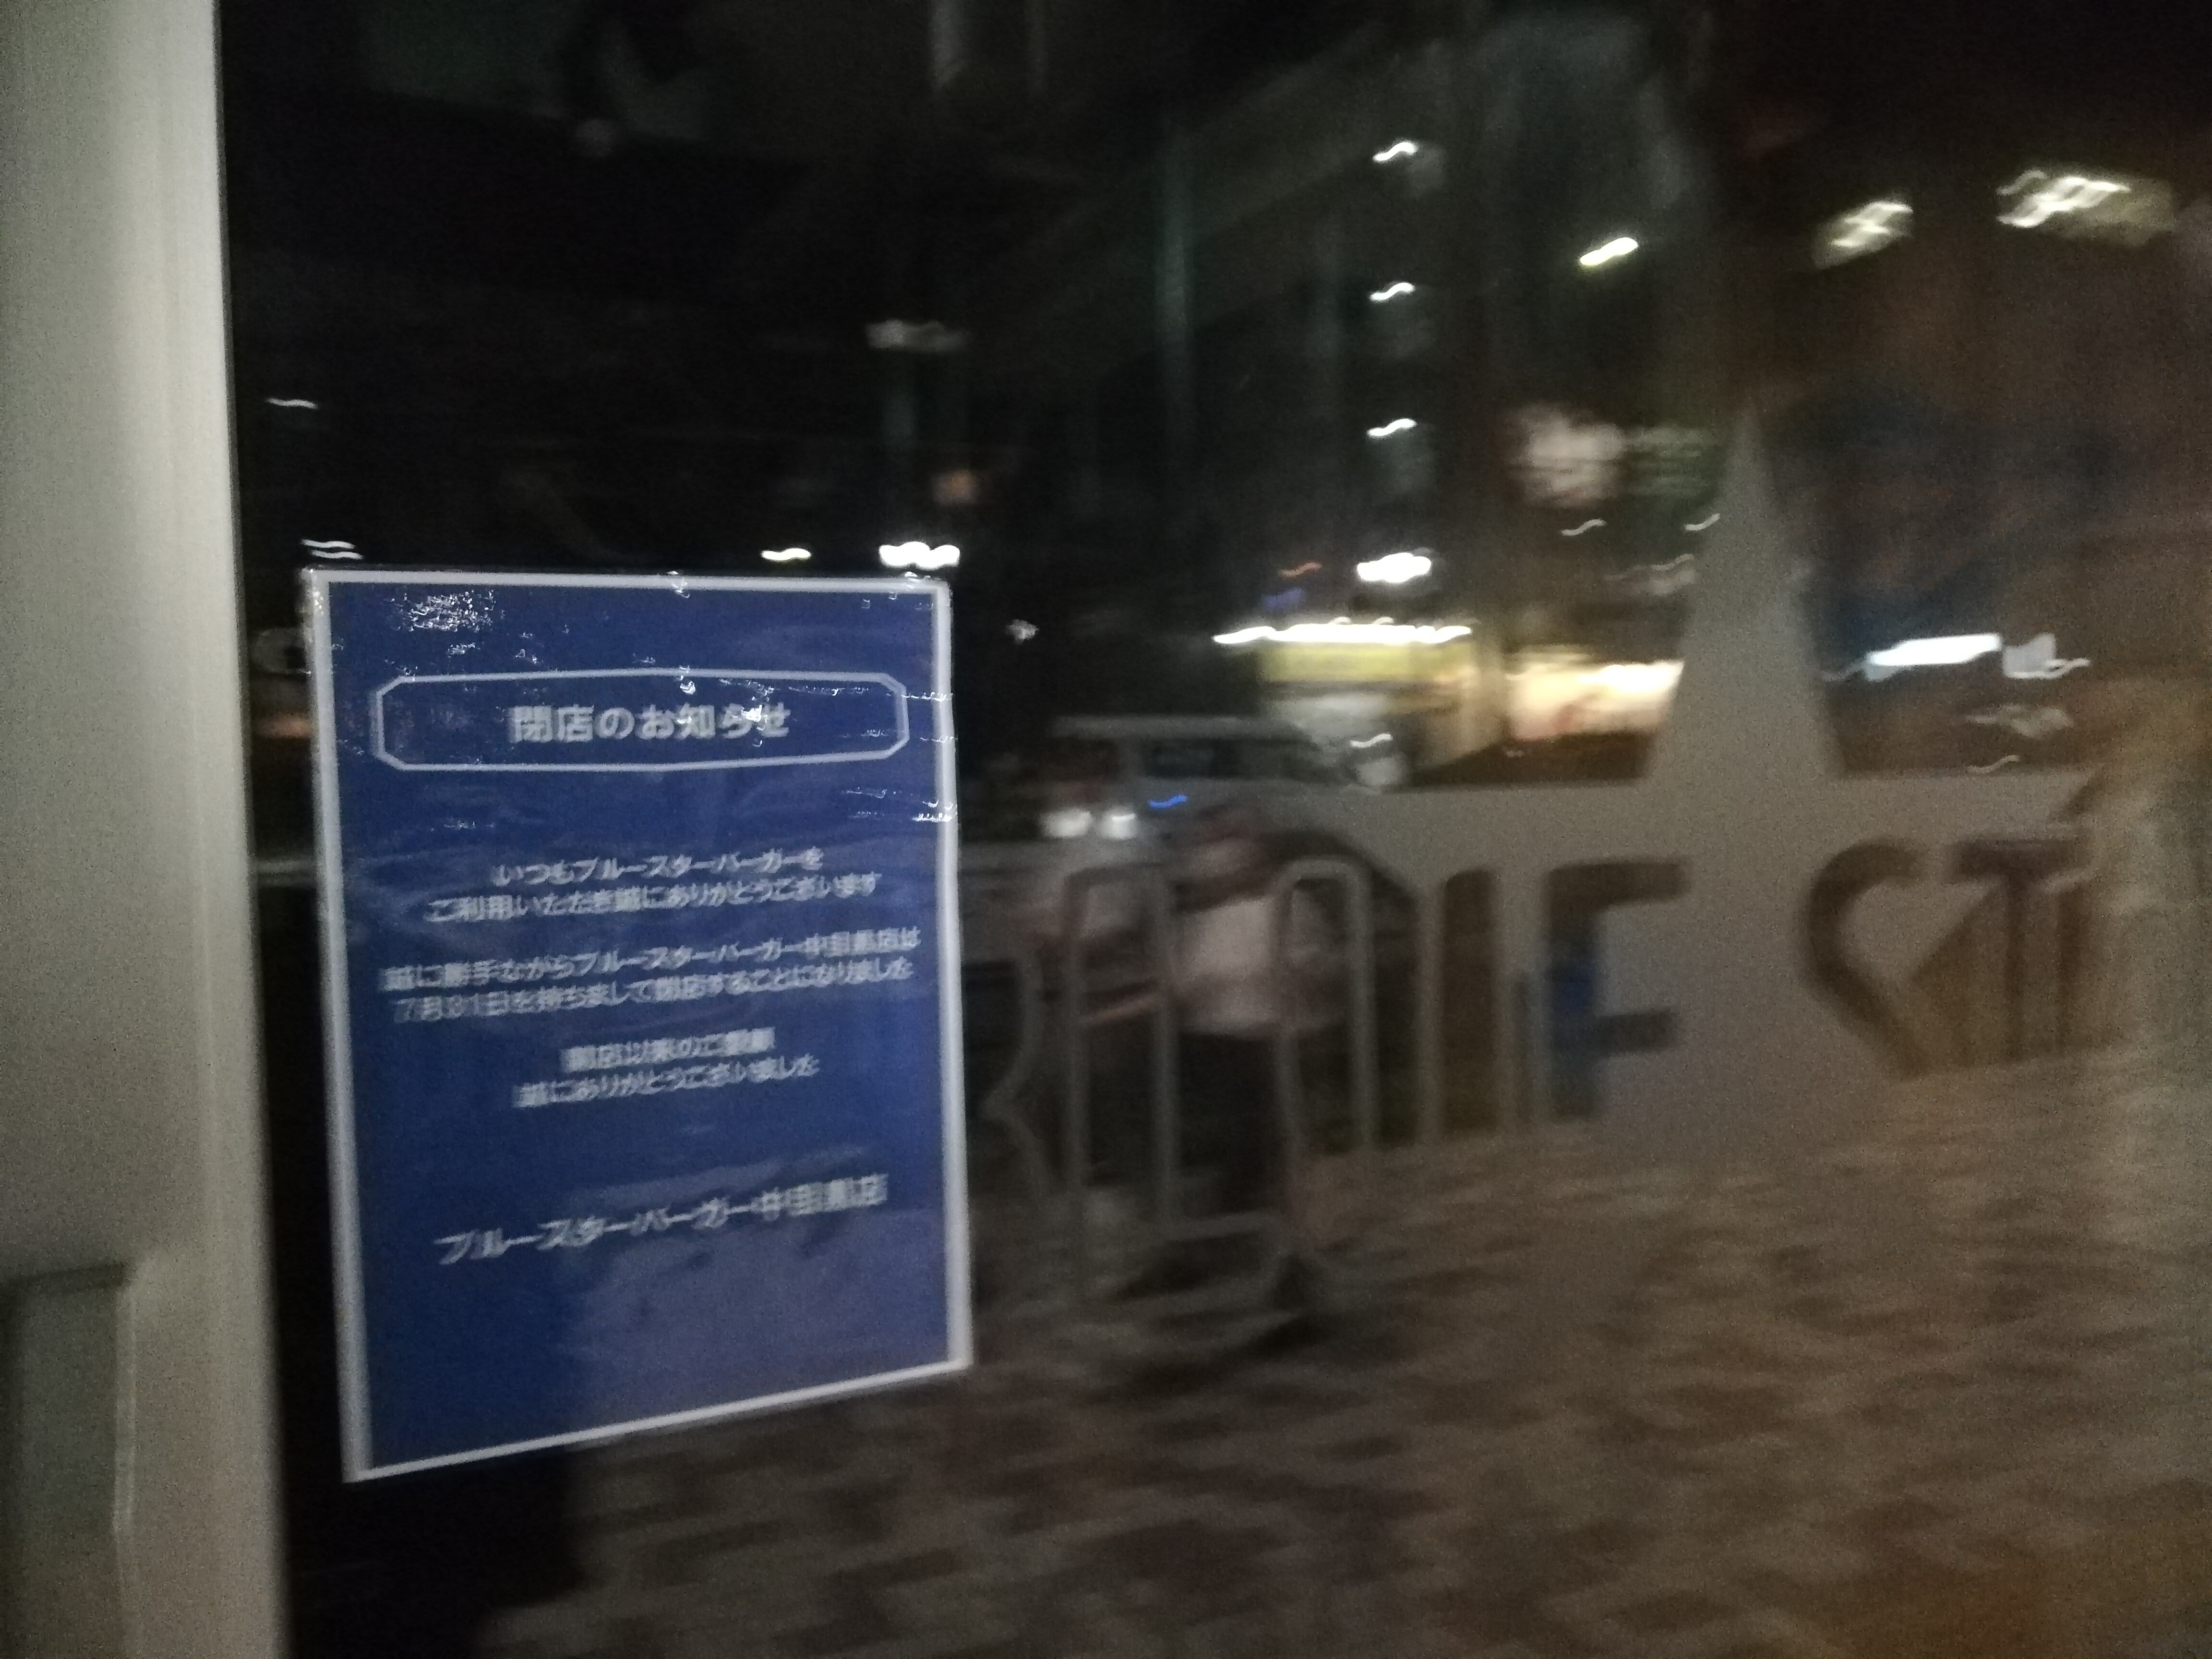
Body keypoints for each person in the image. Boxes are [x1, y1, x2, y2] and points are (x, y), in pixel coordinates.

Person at [1172, 809, 1343, 1215]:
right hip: (1229, 1042)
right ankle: (1243, 1222)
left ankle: (1248, 1224)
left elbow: (1307, 971)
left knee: (1265, 1140)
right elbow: (1187, 983)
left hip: (1273, 1039)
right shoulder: (1210, 920)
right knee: (1253, 1140)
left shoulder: (1287, 905)